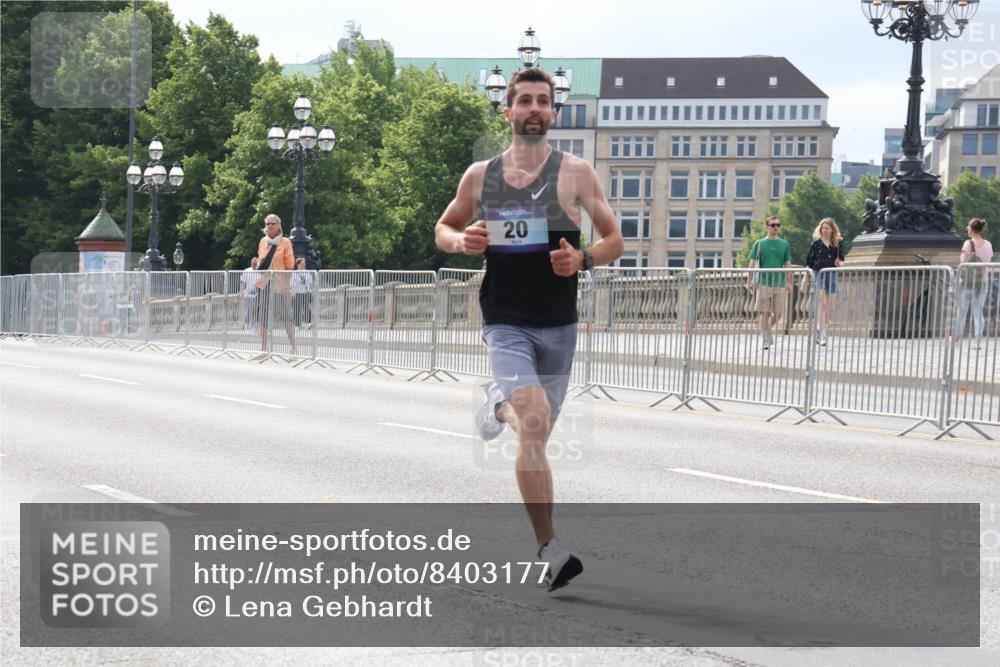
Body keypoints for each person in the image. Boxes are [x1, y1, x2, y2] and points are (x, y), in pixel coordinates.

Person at [434, 67, 623, 592]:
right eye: (525, 102)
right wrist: (461, 242)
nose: (534, 109)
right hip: (506, 321)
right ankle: (551, 549)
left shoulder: (577, 173)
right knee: (535, 424)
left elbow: (614, 240)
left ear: (554, 113)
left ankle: (497, 403)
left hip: (559, 325)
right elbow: (443, 227)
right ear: (508, 111)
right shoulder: (481, 176)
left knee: (533, 431)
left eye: (544, 101)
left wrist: (583, 259)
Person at [746, 216, 792, 350]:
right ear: (767, 227)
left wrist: (789, 282)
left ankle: (765, 331)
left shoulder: (784, 244)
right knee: (763, 312)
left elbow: (787, 264)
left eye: (778, 225)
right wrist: (749, 280)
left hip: (780, 283)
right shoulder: (759, 243)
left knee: (779, 313)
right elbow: (752, 263)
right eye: (773, 225)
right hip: (764, 282)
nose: (776, 227)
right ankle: (765, 339)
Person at [256, 213, 296, 355]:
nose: (270, 226)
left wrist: (286, 283)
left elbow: (290, 265)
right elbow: (260, 260)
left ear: (279, 225)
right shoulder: (263, 241)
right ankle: (263, 349)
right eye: (268, 223)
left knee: (285, 317)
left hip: (279, 284)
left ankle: (294, 347)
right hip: (265, 283)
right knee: (263, 317)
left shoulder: (285, 242)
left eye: (273, 223)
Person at [805, 218, 846, 346]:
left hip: (832, 273)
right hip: (819, 274)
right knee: (822, 304)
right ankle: (823, 334)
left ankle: (819, 327)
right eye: (823, 228)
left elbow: (842, 259)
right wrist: (805, 279)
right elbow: (809, 262)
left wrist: (839, 263)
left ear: (832, 229)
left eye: (827, 228)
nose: (825, 230)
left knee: (831, 306)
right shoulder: (816, 244)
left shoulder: (838, 243)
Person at [954, 218, 993, 348]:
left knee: (962, 310)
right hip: (982, 281)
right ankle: (977, 340)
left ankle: (957, 339)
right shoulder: (988, 244)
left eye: (968, 227)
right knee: (978, 310)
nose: (967, 229)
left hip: (967, 282)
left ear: (971, 229)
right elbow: (988, 261)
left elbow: (962, 263)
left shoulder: (968, 244)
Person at [291, 257, 314, 328]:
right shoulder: (294, 273)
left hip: (305, 292)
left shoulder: (307, 272)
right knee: (297, 309)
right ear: (298, 264)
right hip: (297, 292)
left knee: (307, 308)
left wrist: (305, 281)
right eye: (302, 263)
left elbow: (310, 282)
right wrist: (293, 293)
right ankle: (297, 325)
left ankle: (308, 323)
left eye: (304, 263)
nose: (304, 265)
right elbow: (292, 284)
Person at [240, 257, 260, 329]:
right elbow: (242, 282)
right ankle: (247, 323)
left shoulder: (260, 271)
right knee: (248, 309)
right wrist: (242, 292)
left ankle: (254, 324)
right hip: (248, 294)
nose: (254, 265)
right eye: (253, 264)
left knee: (255, 309)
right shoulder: (247, 270)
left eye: (255, 264)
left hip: (257, 294)